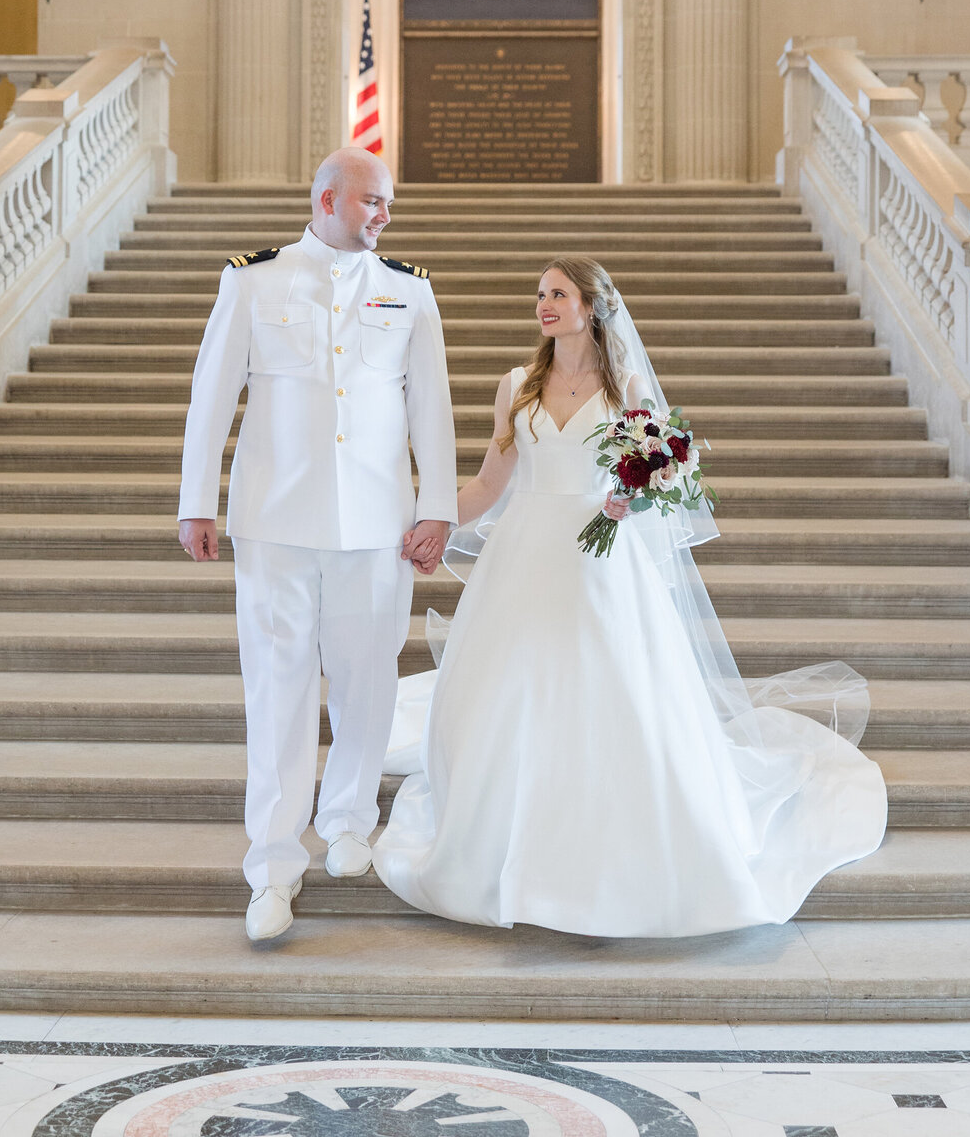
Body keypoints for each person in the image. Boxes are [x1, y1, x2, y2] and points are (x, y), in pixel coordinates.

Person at [373, 255, 888, 938]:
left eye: (557, 293)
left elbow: (659, 476)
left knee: (610, 692)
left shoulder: (628, 388)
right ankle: (505, 838)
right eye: (540, 294)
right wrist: (426, 519)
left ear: (591, 305)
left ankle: (606, 848)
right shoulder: (517, 386)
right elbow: (490, 483)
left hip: (600, 562)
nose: (543, 305)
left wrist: (630, 494)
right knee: (513, 692)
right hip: (524, 557)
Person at [177, 148, 457, 942]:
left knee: (368, 680)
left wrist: (438, 504)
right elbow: (212, 394)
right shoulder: (254, 280)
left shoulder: (409, 290)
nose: (384, 216)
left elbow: (429, 410)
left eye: (389, 205)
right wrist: (196, 499)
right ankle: (270, 866)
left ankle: (347, 822)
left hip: (377, 526)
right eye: (373, 202)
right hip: (275, 523)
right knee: (277, 689)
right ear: (329, 198)